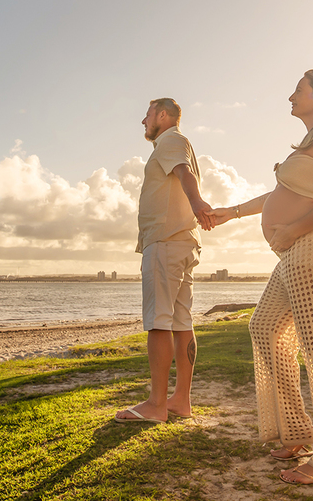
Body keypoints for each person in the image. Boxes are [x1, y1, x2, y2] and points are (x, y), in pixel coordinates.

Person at [211, 69, 313, 485]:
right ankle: (297, 430)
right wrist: (231, 212)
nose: (290, 97)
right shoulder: (310, 144)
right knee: (264, 327)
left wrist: (294, 229)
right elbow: (278, 197)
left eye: (298, 91)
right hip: (296, 252)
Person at [115, 98, 214, 423]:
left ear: (161, 115)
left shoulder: (170, 139)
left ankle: (156, 404)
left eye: (146, 115)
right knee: (181, 321)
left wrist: (198, 202)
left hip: (166, 241)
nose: (143, 121)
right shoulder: (177, 142)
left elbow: (185, 174)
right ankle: (180, 401)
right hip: (183, 242)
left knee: (158, 321)